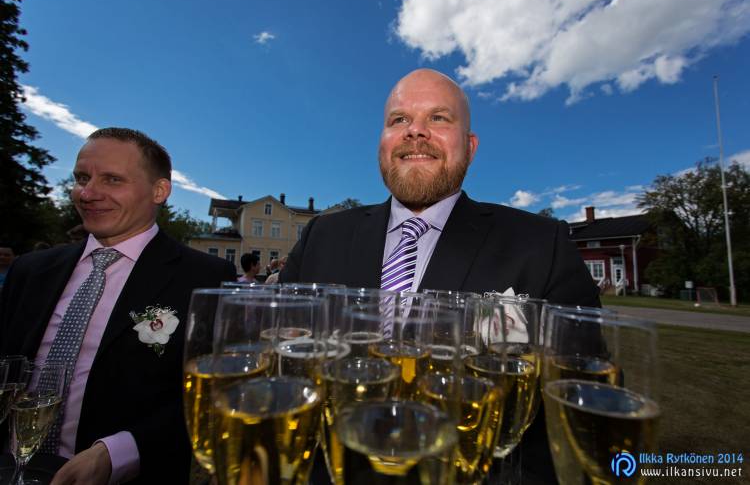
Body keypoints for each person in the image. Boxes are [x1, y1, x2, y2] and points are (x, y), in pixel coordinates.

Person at [280, 68, 599, 482]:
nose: (415, 131)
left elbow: (582, 411)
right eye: (399, 119)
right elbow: (277, 375)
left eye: (438, 117)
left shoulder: (542, 245)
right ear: (382, 142)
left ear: (470, 146)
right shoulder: (321, 236)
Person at [0, 128, 236, 484]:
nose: (87, 193)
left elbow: (211, 395)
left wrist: (119, 452)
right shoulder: (31, 270)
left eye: (112, 179)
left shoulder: (205, 278)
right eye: (82, 178)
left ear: (159, 191)